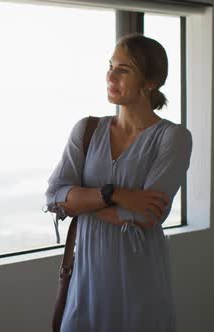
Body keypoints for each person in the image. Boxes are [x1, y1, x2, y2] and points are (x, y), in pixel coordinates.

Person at [46, 34, 192, 332]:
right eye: (110, 66)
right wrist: (118, 195)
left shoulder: (173, 137)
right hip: (86, 284)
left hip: (141, 287)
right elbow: (55, 195)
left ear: (150, 82)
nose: (110, 75)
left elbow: (146, 215)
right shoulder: (86, 129)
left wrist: (81, 203)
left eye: (123, 70)